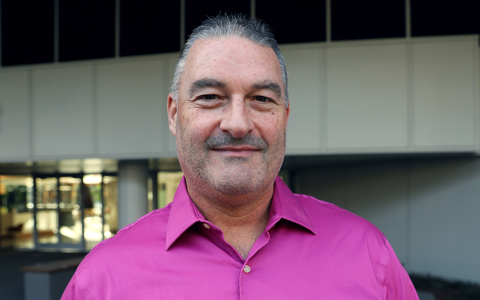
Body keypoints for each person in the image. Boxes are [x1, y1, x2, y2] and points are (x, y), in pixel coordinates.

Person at [62, 14, 419, 299]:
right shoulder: (102, 279)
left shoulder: (369, 254)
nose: (237, 124)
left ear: (284, 117)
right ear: (174, 115)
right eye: (210, 97)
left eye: (261, 99)